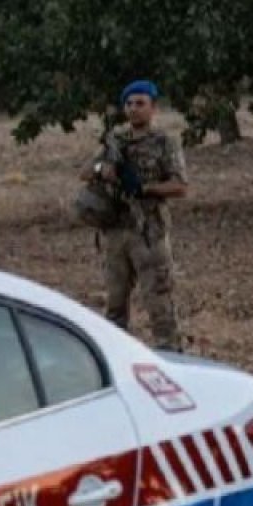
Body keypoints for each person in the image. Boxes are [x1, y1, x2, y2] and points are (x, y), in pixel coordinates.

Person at [79, 79, 188, 352]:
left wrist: (144, 188)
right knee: (115, 303)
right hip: (115, 231)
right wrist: (101, 170)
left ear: (153, 108)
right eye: (129, 104)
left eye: (140, 103)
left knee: (158, 301)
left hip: (148, 232)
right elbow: (84, 171)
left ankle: (170, 355)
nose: (133, 109)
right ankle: (115, 357)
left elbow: (180, 186)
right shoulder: (115, 140)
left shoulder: (164, 142)